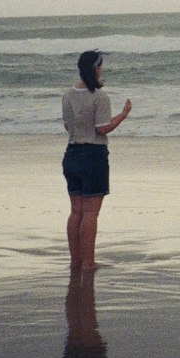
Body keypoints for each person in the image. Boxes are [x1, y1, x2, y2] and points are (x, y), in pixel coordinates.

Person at [62, 50, 132, 271]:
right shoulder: (100, 97)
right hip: (93, 156)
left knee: (76, 211)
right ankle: (88, 261)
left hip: (72, 153)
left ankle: (76, 260)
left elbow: (67, 126)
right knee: (91, 213)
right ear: (95, 68)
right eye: (101, 65)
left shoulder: (68, 95)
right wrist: (123, 114)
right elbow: (102, 129)